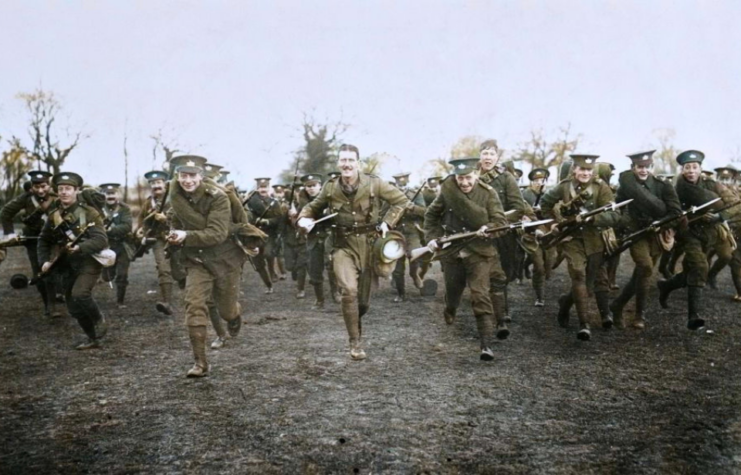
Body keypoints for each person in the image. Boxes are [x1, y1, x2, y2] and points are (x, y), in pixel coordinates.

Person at [297, 144, 410, 360]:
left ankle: (356, 322)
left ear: (358, 163)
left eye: (351, 160)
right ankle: (355, 342)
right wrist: (304, 218)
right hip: (342, 245)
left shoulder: (374, 183)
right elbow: (312, 207)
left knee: (363, 303)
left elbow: (401, 201)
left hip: (369, 245)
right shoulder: (330, 188)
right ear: (338, 163)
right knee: (349, 291)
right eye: (343, 160)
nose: (346, 164)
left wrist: (388, 222)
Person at [167, 155, 248, 377]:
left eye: (192, 175)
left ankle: (234, 316)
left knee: (226, 309)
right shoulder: (175, 197)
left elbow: (217, 233)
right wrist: (173, 234)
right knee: (193, 304)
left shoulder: (218, 197)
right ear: (178, 176)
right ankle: (200, 363)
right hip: (197, 261)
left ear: (201, 176)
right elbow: (174, 220)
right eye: (183, 175)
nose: (188, 181)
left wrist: (185, 235)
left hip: (224, 259)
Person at [424, 158, 509, 360]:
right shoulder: (447, 192)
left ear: (477, 175)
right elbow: (430, 216)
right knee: (453, 291)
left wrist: (488, 229)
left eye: (469, 177)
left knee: (480, 294)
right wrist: (433, 238)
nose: (464, 183)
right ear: (455, 177)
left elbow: (501, 221)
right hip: (453, 252)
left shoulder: (489, 194)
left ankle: (485, 345)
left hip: (479, 251)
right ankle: (450, 308)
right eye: (460, 178)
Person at [540, 154, 621, 340]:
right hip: (571, 238)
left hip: (594, 240)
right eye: (582, 169)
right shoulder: (564, 187)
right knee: (578, 274)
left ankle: (565, 304)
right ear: (574, 170)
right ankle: (584, 324)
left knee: (592, 281)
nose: (585, 173)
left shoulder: (601, 188)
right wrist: (552, 223)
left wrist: (594, 218)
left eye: (589, 170)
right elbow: (545, 203)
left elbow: (615, 216)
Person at [658, 150, 739, 330]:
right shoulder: (676, 189)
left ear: (700, 169)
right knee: (701, 267)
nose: (691, 171)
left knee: (691, 271)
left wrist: (720, 216)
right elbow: (670, 211)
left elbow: (735, 204)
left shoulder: (713, 185)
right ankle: (693, 316)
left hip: (713, 232)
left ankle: (666, 286)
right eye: (687, 168)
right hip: (690, 233)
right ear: (682, 170)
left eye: (695, 167)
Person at [609, 151, 681, 329]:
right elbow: (619, 207)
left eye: (646, 167)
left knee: (642, 274)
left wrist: (660, 224)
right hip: (637, 234)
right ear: (633, 168)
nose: (643, 170)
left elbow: (676, 213)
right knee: (646, 266)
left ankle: (618, 305)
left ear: (652, 167)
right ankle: (640, 314)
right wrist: (623, 225)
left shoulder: (663, 186)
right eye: (639, 167)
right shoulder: (627, 186)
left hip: (656, 235)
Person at [38, 172, 109, 349]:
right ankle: (93, 339)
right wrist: (44, 261)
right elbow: (43, 240)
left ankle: (99, 319)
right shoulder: (54, 216)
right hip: (67, 265)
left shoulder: (89, 213)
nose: (64, 192)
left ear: (76, 191)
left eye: (68, 189)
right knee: (73, 307)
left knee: (80, 294)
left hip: (89, 261)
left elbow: (101, 240)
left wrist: (80, 247)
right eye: (60, 189)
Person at [478, 140, 527, 322]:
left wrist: (498, 222)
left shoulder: (506, 178)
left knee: (505, 271)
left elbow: (518, 207)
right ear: (480, 156)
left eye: (491, 154)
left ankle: (501, 305)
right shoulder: (472, 177)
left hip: (503, 233)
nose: (488, 157)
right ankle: (497, 310)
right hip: (479, 234)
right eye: (485, 153)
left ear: (497, 157)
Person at [1, 170, 58, 316]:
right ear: (31, 186)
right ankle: (49, 305)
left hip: (55, 239)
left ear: (49, 185)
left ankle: (55, 300)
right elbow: (6, 213)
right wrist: (10, 234)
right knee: (39, 273)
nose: (40, 190)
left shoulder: (57, 197)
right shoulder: (26, 198)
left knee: (55, 270)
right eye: (36, 187)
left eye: (43, 186)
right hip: (34, 240)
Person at [136, 170, 177, 315]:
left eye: (158, 182)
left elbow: (184, 219)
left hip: (177, 238)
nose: (156, 186)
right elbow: (142, 219)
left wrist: (166, 220)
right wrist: (140, 230)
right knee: (163, 268)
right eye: (153, 183)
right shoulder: (149, 202)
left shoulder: (174, 199)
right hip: (159, 240)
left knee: (181, 269)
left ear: (165, 184)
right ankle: (167, 302)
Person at [388, 172, 426, 302]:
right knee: (397, 267)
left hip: (412, 232)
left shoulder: (416, 194)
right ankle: (400, 293)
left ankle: (415, 275)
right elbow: (383, 213)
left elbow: (425, 212)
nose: (401, 181)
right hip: (395, 233)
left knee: (415, 256)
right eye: (398, 179)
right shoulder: (390, 195)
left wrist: (413, 208)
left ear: (408, 180)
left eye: (403, 179)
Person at [99, 183, 134, 308]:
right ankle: (106, 273)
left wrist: (109, 231)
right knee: (107, 275)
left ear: (118, 194)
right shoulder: (98, 209)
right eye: (107, 194)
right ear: (103, 195)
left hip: (123, 244)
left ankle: (120, 301)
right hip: (105, 246)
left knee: (122, 274)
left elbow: (127, 226)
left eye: (113, 193)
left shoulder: (124, 209)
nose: (110, 196)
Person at [521, 168, 551, 306]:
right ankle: (540, 297)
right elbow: (520, 212)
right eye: (536, 181)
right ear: (531, 182)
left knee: (550, 264)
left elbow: (556, 213)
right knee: (539, 267)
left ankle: (525, 265)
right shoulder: (525, 195)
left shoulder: (550, 195)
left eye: (542, 180)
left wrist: (544, 210)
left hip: (549, 234)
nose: (539, 183)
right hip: (531, 234)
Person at [246, 178, 282, 293]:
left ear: (268, 188)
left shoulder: (274, 202)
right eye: (261, 187)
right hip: (254, 234)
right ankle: (268, 285)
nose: (263, 190)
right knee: (258, 262)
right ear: (257, 189)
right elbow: (245, 215)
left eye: (265, 187)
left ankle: (272, 272)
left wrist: (267, 222)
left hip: (268, 234)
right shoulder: (250, 202)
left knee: (268, 253)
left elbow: (278, 218)